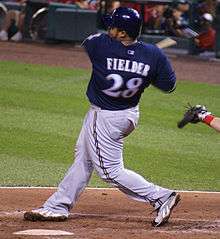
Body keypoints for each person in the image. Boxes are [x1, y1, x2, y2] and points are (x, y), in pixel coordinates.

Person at [24, 7, 180, 227]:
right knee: (83, 158)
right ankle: (57, 205)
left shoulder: (100, 45)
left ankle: (162, 196)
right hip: (127, 114)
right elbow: (169, 86)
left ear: (123, 33)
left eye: (114, 26)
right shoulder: (154, 55)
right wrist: (147, 69)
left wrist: (133, 61)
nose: (110, 28)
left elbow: (90, 41)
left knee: (110, 171)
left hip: (106, 117)